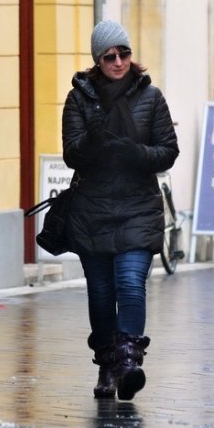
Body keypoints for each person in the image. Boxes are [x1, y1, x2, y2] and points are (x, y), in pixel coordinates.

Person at [62, 20, 179, 401]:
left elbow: (168, 150)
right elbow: (71, 154)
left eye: (124, 53)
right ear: (98, 59)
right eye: (109, 56)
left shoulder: (151, 97)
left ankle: (129, 362)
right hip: (92, 209)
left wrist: (137, 153)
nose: (118, 61)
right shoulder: (80, 98)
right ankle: (108, 366)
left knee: (130, 284)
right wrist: (95, 137)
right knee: (100, 293)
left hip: (138, 208)